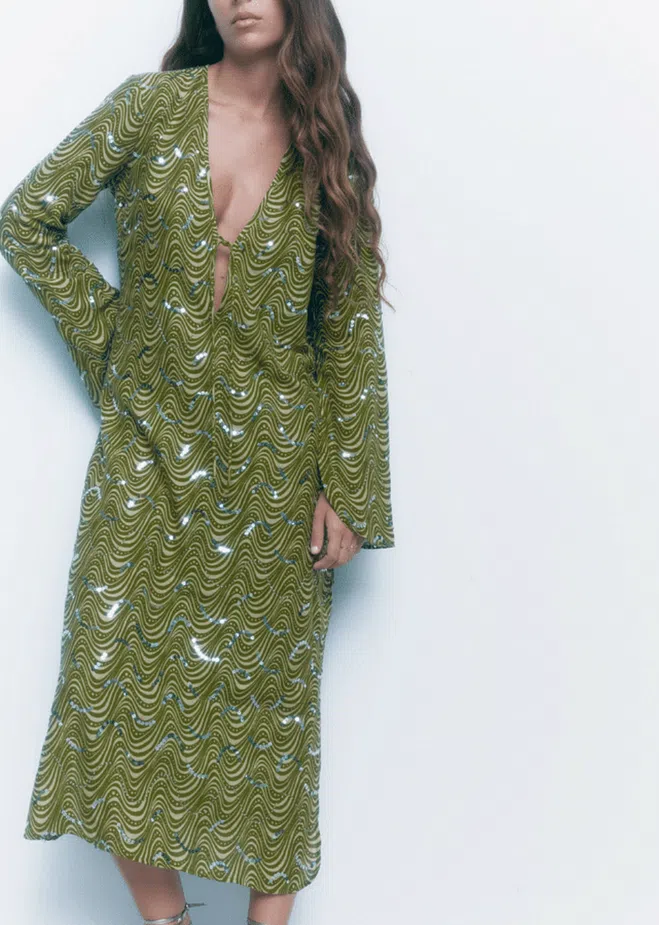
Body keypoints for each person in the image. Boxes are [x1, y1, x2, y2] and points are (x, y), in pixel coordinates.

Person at [0, 1, 396, 923]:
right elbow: (25, 221)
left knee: (270, 716)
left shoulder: (326, 148)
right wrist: (118, 352)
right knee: (106, 692)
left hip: (277, 473)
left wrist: (349, 488)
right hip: (146, 457)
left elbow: (348, 334)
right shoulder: (148, 108)